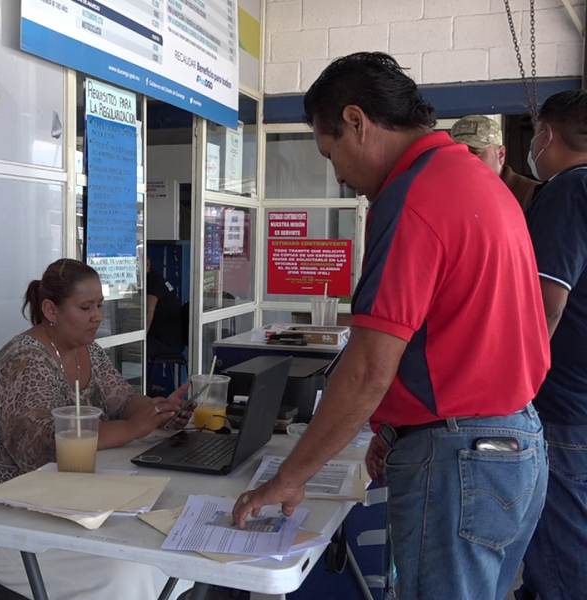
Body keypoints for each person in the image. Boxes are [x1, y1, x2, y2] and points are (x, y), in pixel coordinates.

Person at [231, 52, 550, 600]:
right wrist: (394, 428)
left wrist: (290, 477)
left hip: (459, 463)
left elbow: (365, 371)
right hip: (514, 447)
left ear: (357, 122)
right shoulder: (478, 180)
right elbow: (461, 330)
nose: (338, 176)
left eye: (331, 153)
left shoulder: (413, 196)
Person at [0, 258, 194, 600]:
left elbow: (123, 398)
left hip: (60, 494)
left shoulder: (87, 349)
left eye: (100, 306)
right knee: (121, 572)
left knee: (158, 551)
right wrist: (134, 428)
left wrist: (156, 410)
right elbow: (41, 447)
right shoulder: (25, 360)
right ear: (51, 309)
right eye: (85, 307)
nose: (97, 316)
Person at [517, 90, 587, 600]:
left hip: (564, 409)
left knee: (561, 560)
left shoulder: (567, 192)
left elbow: (545, 307)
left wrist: (510, 392)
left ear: (548, 135)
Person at [451, 114, 538, 209]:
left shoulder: (533, 194)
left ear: (501, 154)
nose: (465, 161)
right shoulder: (450, 193)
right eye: (458, 154)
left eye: (474, 153)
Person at [146, 257, 184, 359]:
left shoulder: (152, 281)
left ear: (147, 263)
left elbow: (148, 310)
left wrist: (141, 336)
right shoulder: (158, 279)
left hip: (166, 343)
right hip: (169, 340)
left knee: (124, 346)